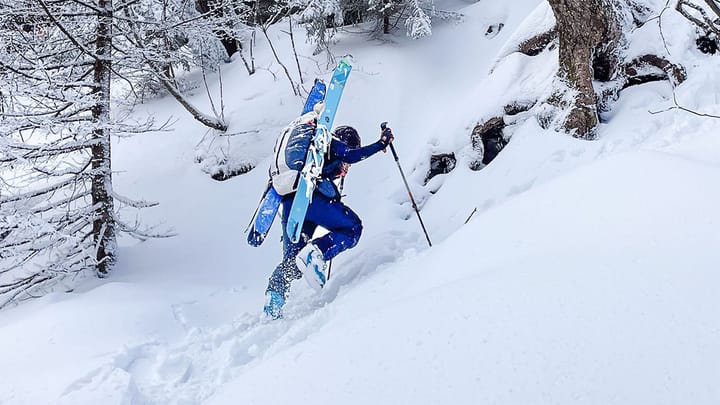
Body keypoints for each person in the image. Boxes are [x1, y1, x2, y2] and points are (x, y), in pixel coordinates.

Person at [264, 124, 394, 319]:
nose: (347, 168)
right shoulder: (330, 143)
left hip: (291, 204)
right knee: (352, 228)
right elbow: (350, 154)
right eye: (346, 166)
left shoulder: (311, 157)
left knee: (293, 262)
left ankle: (272, 304)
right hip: (311, 198)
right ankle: (316, 252)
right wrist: (380, 144)